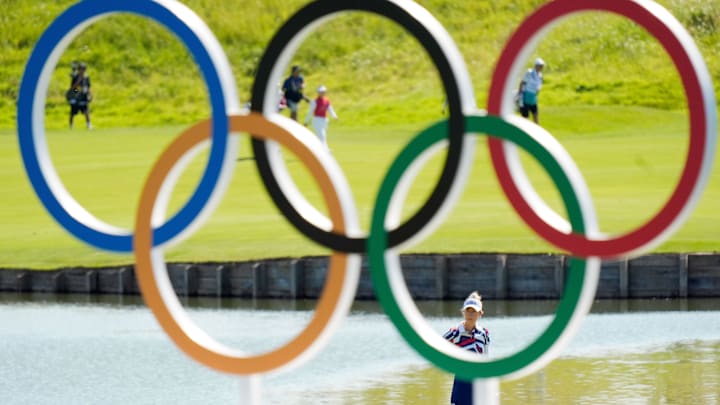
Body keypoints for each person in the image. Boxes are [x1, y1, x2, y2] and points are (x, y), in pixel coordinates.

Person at [442, 291, 490, 405]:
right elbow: (438, 347)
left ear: (480, 314)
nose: (470, 314)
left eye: (474, 311)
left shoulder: (484, 333)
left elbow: (485, 357)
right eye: (468, 310)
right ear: (463, 312)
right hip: (461, 378)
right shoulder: (454, 332)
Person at [517, 57, 544, 124]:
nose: (541, 68)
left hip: (533, 98)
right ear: (535, 66)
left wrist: (536, 94)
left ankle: (537, 132)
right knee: (525, 117)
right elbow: (522, 83)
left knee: (535, 115)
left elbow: (538, 87)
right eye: (540, 66)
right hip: (526, 96)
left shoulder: (540, 76)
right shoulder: (529, 72)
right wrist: (519, 95)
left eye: (542, 66)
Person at [67, 62, 92, 129]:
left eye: (83, 69)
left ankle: (89, 125)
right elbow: (73, 88)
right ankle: (71, 126)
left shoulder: (86, 77)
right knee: (72, 112)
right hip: (75, 95)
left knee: (86, 111)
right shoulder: (75, 77)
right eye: (81, 69)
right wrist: (78, 81)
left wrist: (90, 95)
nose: (82, 70)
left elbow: (88, 87)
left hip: (83, 96)